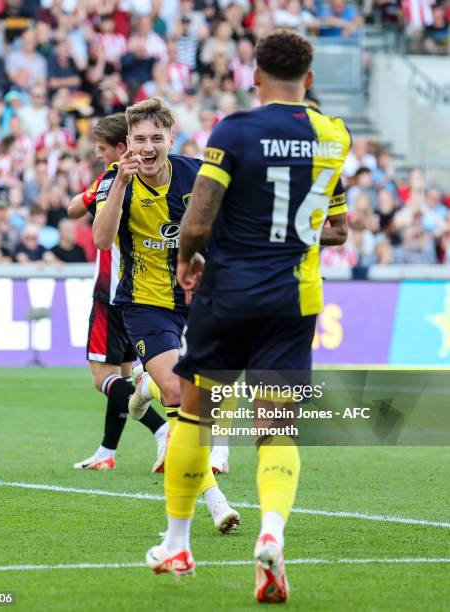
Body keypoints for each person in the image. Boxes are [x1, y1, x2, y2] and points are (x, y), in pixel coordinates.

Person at [145, 29, 350, 604]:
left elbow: (200, 216)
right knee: (277, 428)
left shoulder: (235, 130)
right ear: (309, 79)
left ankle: (178, 543)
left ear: (255, 76)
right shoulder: (335, 135)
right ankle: (271, 533)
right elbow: (337, 224)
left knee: (196, 416)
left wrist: (187, 261)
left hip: (229, 295)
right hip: (295, 299)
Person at [93, 97, 239, 533]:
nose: (148, 147)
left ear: (171, 139)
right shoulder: (113, 180)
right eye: (139, 139)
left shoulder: (197, 174)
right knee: (179, 393)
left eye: (157, 138)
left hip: (199, 295)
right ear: (128, 144)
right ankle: (215, 501)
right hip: (145, 302)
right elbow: (102, 240)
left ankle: (143, 386)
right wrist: (119, 183)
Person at [68, 113, 168, 472]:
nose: (98, 154)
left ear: (121, 148)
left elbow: (73, 208)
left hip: (112, 289)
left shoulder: (113, 178)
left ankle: (162, 428)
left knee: (103, 378)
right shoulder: (158, 179)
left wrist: (99, 182)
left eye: (102, 148)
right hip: (140, 290)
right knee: (122, 376)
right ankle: (107, 451)